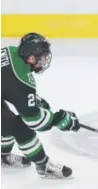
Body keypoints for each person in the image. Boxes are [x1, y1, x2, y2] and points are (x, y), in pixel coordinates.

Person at [1, 32, 80, 178]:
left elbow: (8, 86)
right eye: (41, 57)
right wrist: (59, 119)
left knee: (7, 119)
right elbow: (34, 120)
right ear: (30, 58)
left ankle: (2, 156)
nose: (44, 61)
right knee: (19, 127)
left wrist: (33, 100)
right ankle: (43, 165)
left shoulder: (11, 51)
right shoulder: (22, 81)